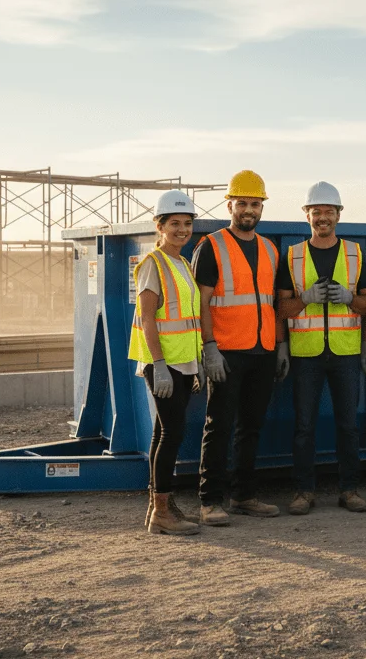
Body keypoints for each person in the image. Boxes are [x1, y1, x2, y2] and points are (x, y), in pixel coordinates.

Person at [192, 169, 288, 525]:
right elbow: (201, 303)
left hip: (262, 351)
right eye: (242, 203)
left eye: (255, 204)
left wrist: (280, 346)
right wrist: (209, 348)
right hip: (227, 352)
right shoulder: (211, 246)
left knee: (251, 427)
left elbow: (274, 303)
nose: (249, 210)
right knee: (218, 426)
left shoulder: (269, 249)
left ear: (261, 207)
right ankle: (209, 501)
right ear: (229, 205)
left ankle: (244, 496)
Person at [275, 182, 366, 515]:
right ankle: (304, 492)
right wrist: (305, 300)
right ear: (306, 215)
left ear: (338, 215)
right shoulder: (292, 256)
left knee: (348, 426)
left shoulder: (355, 254)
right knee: (304, 427)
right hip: (306, 354)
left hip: (346, 353)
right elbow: (281, 309)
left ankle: (349, 490)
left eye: (328, 212)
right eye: (316, 212)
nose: (322, 218)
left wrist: (350, 301)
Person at [128, 190, 203, 536]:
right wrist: (158, 364)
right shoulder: (152, 264)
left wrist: (195, 362)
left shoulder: (183, 264)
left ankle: (159, 506)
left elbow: (188, 317)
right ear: (159, 226)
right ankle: (161, 511)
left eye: (187, 223)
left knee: (164, 432)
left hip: (182, 360)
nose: (182, 229)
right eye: (174, 223)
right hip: (164, 363)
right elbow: (147, 318)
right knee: (172, 433)